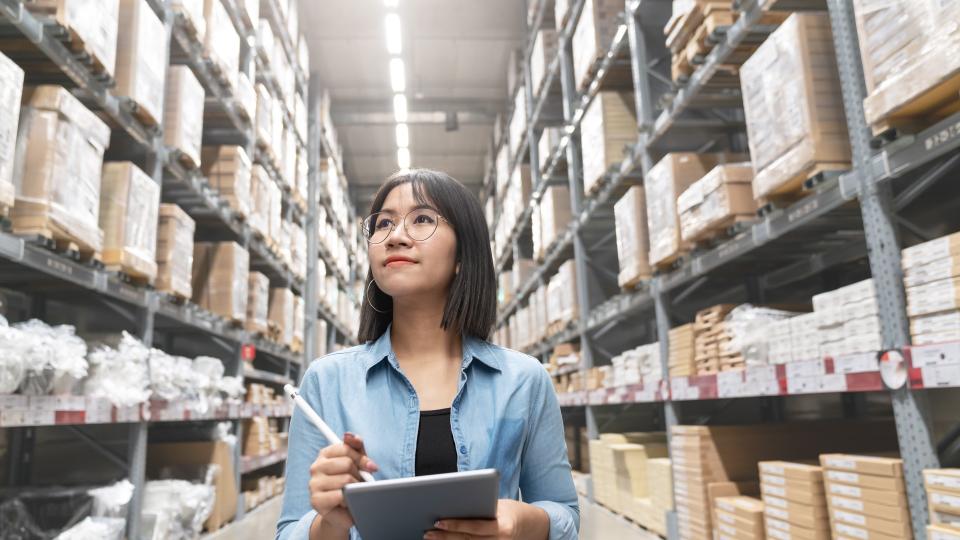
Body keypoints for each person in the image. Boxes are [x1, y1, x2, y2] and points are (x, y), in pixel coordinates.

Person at [276, 169, 579, 540]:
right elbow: (290, 531)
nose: (396, 236)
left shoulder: (524, 380)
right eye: (383, 223)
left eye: (422, 219)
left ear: (462, 256)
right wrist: (331, 523)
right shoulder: (326, 382)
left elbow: (563, 512)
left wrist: (520, 523)